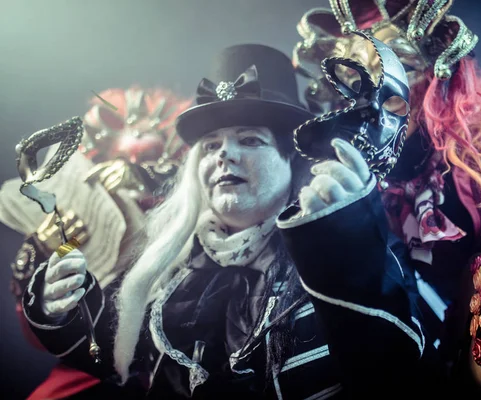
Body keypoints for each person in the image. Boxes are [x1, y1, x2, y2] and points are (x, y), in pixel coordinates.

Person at [21, 44, 424, 399]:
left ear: (292, 162)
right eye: (211, 145)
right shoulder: (170, 265)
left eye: (250, 140)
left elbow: (395, 373)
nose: (223, 156)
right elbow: (110, 355)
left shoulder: (353, 246)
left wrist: (345, 246)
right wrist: (62, 307)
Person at [293, 0, 481, 398]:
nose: (370, 94)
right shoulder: (384, 202)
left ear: (437, 76)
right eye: (355, 76)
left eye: (393, 63)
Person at [0, 87, 191, 399]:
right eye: (119, 158)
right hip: (93, 369)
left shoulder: (198, 214)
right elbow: (41, 332)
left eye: (144, 158)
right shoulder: (79, 223)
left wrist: (148, 177)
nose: (124, 167)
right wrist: (44, 248)